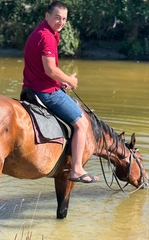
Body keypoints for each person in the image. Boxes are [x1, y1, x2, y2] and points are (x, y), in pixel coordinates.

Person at [22, 1, 99, 183]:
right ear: (47, 16)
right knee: (81, 123)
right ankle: (77, 169)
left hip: (33, 87)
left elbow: (44, 72)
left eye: (64, 19)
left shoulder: (39, 32)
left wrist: (60, 82)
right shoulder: (47, 37)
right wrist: (70, 80)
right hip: (45, 92)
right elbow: (50, 70)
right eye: (57, 17)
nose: (61, 22)